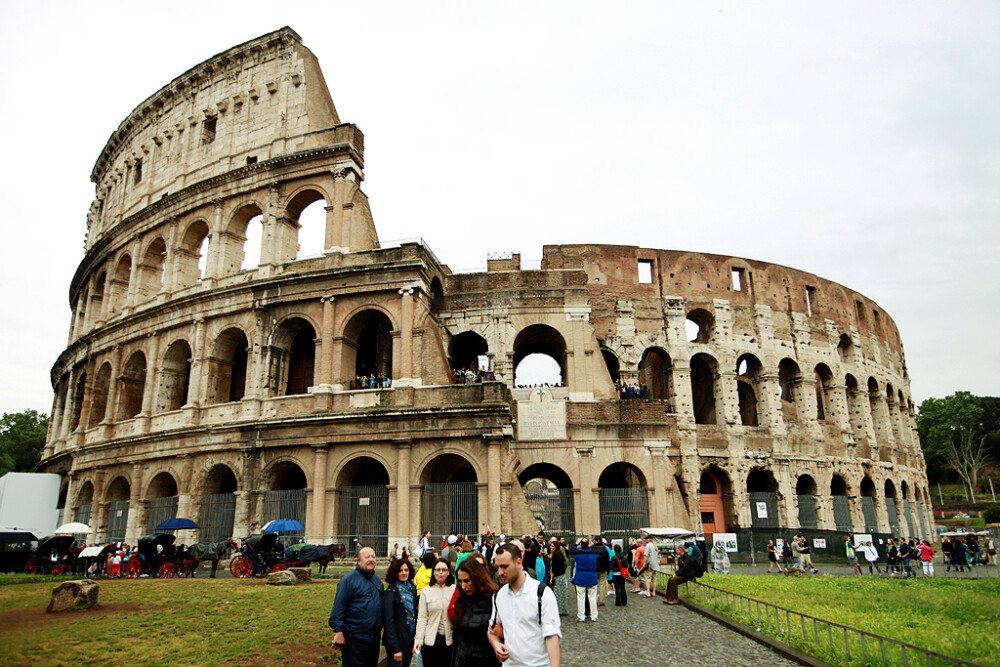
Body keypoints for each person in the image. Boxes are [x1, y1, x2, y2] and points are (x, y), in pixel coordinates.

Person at [488, 543, 562, 667]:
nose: (500, 572)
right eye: (498, 567)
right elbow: (492, 630)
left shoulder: (542, 593)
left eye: (504, 566)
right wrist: (496, 645)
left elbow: (552, 637)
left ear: (518, 562)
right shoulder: (498, 595)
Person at [329, 547, 384, 667]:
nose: (371, 560)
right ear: (359, 561)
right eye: (367, 557)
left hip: (373, 638)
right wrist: (339, 632)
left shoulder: (377, 581)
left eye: (373, 557)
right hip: (355, 638)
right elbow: (339, 607)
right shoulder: (348, 580)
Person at [451, 558, 501, 666]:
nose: (463, 586)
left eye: (466, 581)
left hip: (487, 660)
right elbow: (458, 640)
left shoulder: (493, 600)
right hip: (464, 660)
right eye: (460, 581)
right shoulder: (461, 599)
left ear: (476, 578)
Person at [414, 558, 455, 666]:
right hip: (431, 640)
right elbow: (422, 617)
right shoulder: (426, 591)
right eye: (437, 570)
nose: (441, 572)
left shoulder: (455, 590)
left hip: (450, 640)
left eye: (444, 569)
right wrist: (418, 639)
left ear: (448, 572)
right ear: (433, 572)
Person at [382, 558, 417, 666]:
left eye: (406, 570)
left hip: (409, 639)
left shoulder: (412, 589)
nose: (404, 573)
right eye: (400, 571)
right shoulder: (391, 592)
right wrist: (395, 648)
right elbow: (389, 622)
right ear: (395, 573)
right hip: (397, 642)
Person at [568, 538, 599, 622]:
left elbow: (571, 552)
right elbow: (598, 553)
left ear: (580, 544)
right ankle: (594, 615)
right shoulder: (594, 554)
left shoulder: (577, 554)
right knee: (592, 598)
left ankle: (581, 616)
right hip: (592, 577)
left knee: (580, 598)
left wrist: (576, 544)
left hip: (580, 578)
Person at [548, 538, 568, 616]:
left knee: (557, 594)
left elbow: (554, 568)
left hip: (557, 576)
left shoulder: (555, 555)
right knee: (562, 594)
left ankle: (558, 610)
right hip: (562, 575)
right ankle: (563, 609)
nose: (551, 548)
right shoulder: (560, 554)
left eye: (553, 546)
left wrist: (551, 578)